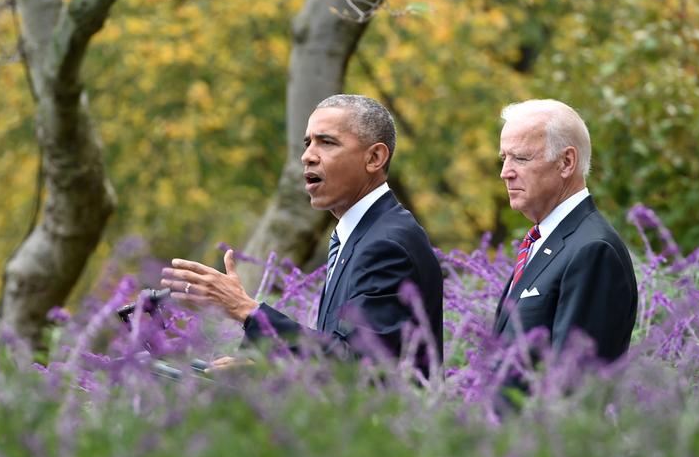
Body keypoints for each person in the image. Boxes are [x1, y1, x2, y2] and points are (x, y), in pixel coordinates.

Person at [161, 94, 443, 374]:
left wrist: (245, 309)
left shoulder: (387, 243)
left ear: (374, 157)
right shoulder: (359, 234)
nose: (307, 156)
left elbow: (360, 367)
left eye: (327, 142)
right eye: (308, 143)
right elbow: (342, 360)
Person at [493, 99, 637, 362]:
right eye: (505, 158)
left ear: (566, 162)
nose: (505, 173)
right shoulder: (548, 240)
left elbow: (573, 385)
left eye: (521, 158)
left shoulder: (592, 250)